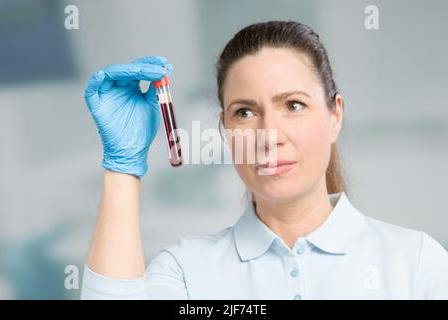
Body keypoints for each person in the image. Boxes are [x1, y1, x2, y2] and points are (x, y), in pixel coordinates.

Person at [80, 21, 448, 299]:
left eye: (293, 105)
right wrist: (121, 168)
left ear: (334, 116)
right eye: (244, 112)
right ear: (223, 127)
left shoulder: (415, 263)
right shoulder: (187, 272)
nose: (269, 135)